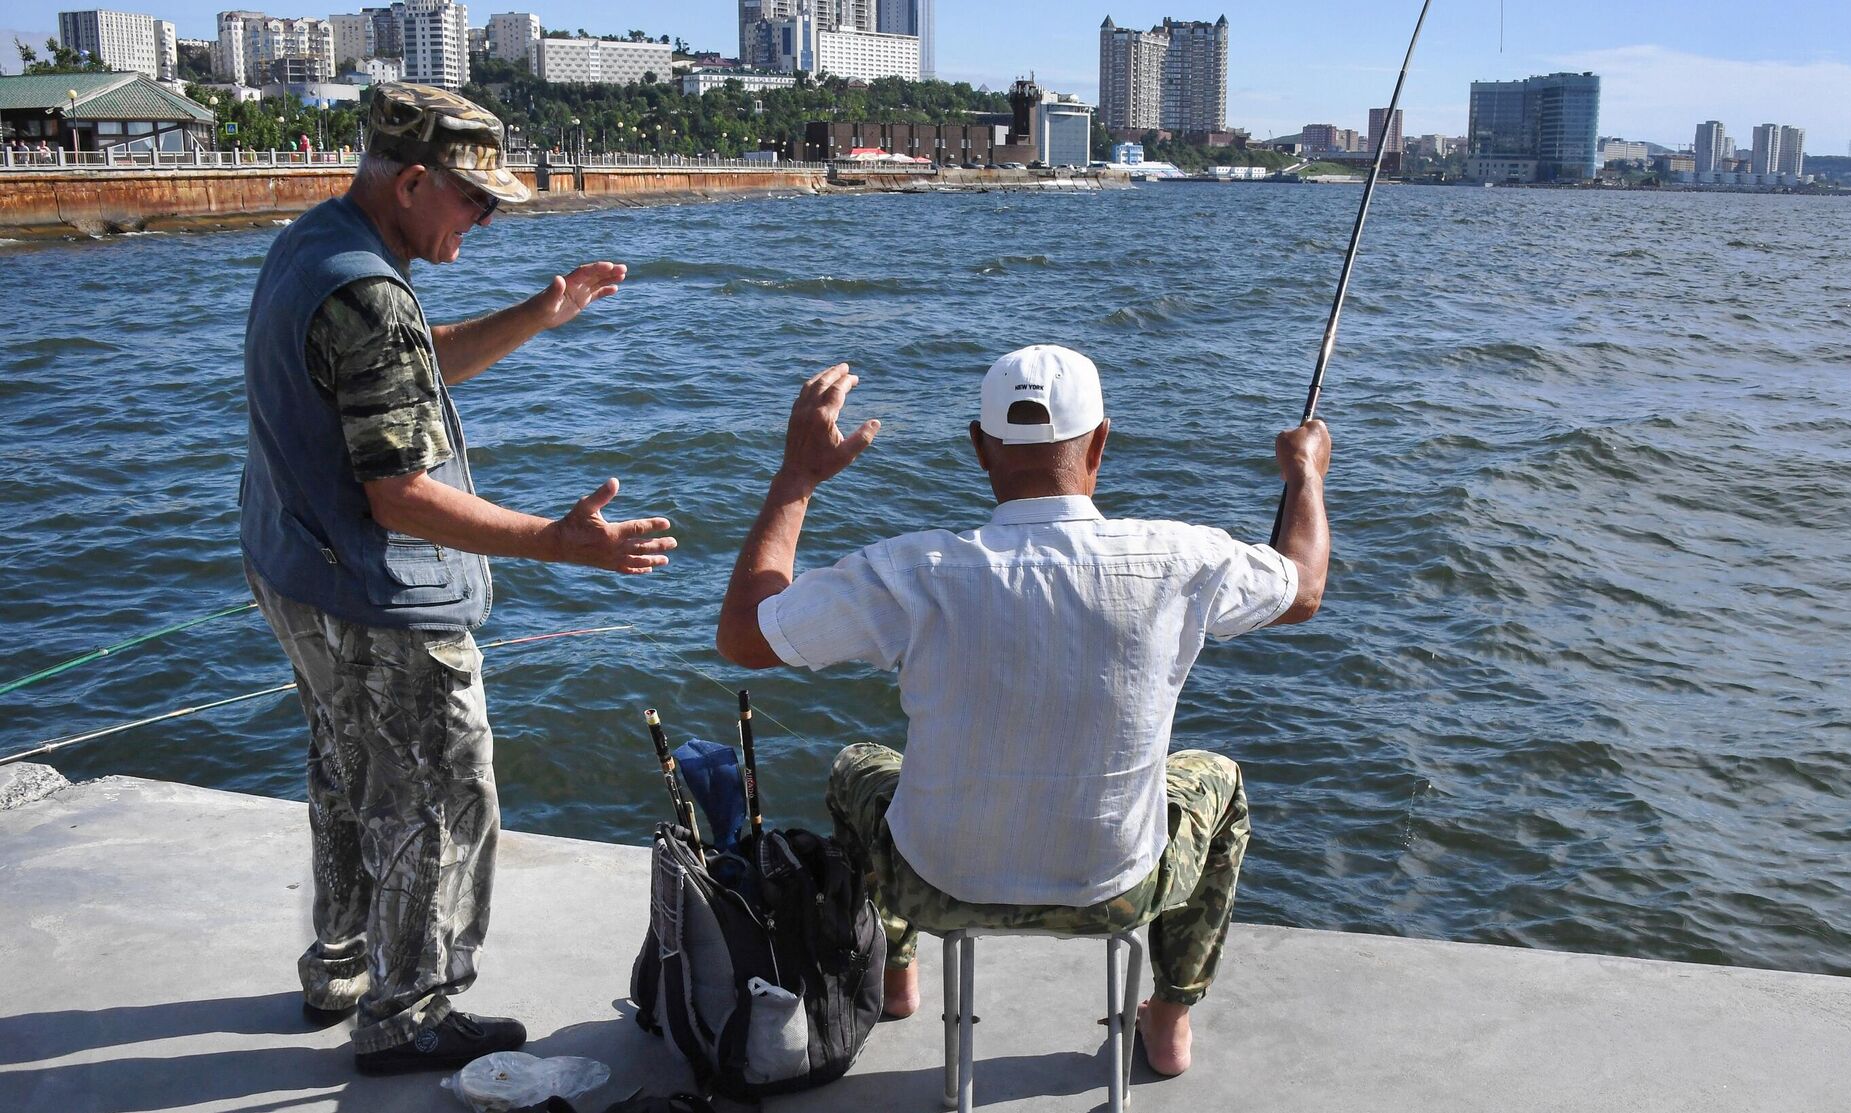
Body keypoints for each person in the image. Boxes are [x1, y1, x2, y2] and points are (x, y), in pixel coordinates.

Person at [716, 347, 1331, 1076]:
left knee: (859, 765)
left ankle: (898, 972)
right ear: (1101, 440)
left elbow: (745, 636)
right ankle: (1168, 1017)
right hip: (1118, 889)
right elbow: (1303, 588)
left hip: (934, 885)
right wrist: (1306, 474)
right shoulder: (1181, 558)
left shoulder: (913, 570)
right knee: (1217, 780)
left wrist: (798, 476)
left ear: (979, 447)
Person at [238, 82, 677, 1075]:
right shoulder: (369, 291)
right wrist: (557, 543)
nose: (486, 217)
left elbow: (397, 369)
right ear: (415, 182)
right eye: (474, 200)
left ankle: (341, 962)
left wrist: (541, 311)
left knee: (347, 767)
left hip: (295, 567)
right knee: (439, 794)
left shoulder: (317, 246)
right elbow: (397, 491)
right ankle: (410, 1014)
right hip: (370, 592)